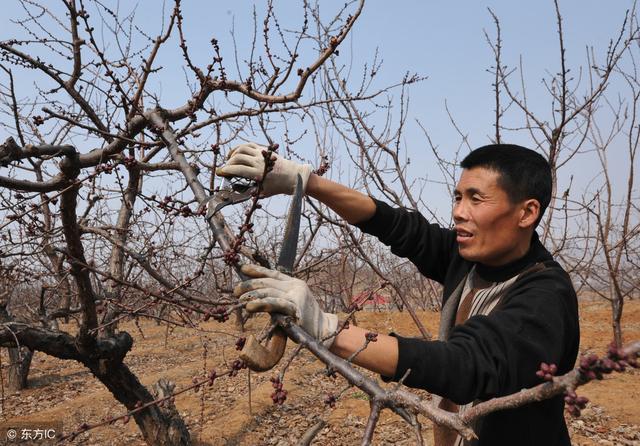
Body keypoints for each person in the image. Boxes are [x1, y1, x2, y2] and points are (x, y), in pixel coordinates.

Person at [218, 142, 580, 446]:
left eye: (476, 199)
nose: (458, 212)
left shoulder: (545, 297)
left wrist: (325, 326)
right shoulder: (468, 256)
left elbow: (462, 365)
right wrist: (306, 181)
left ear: (527, 212)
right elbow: (396, 225)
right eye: (457, 196)